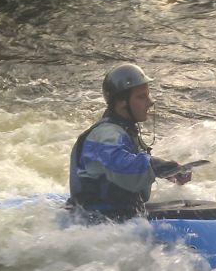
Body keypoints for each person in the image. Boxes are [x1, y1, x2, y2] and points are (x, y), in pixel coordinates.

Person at [68, 63, 190, 221]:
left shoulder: (124, 129)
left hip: (116, 217)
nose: (150, 101)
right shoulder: (106, 134)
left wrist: (169, 173)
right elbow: (121, 165)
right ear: (121, 102)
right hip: (95, 221)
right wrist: (159, 167)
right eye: (141, 96)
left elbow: (130, 164)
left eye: (148, 94)